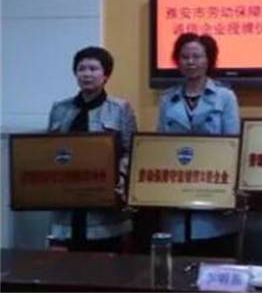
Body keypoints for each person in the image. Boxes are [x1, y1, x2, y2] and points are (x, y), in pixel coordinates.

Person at [156, 33, 240, 257]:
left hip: (213, 192)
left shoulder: (225, 97)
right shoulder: (167, 99)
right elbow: (159, 147)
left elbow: (234, 146)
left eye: (197, 56)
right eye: (184, 57)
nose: (191, 62)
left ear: (209, 59)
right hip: (176, 193)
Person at [47, 46, 137, 252]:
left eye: (93, 69)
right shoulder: (60, 109)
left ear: (105, 75)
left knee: (104, 266)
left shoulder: (120, 108)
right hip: (66, 203)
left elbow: (130, 151)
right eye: (81, 69)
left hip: (105, 210)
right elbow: (49, 152)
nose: (87, 74)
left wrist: (119, 176)